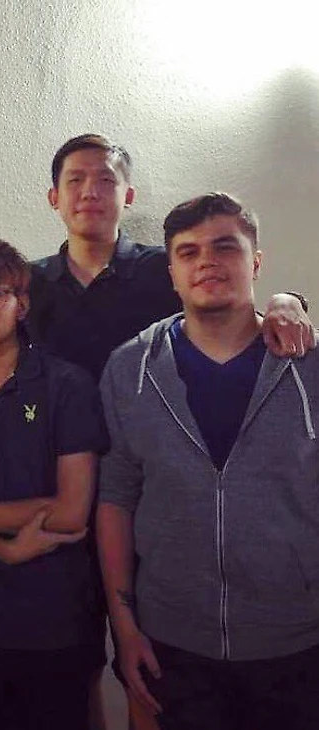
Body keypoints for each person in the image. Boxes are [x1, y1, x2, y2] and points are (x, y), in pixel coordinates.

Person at [0, 133, 315, 729]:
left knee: (117, 669)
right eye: (75, 180)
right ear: (53, 197)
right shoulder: (31, 284)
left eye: (106, 180)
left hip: (153, 508)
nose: (90, 192)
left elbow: (231, 293)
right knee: (81, 670)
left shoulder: (157, 271)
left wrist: (290, 301)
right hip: (73, 496)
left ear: (127, 195)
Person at [97, 192, 319, 730]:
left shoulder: (309, 367)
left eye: (226, 247)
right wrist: (124, 630)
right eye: (189, 251)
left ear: (256, 261)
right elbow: (116, 499)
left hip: (298, 645)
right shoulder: (130, 369)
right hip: (173, 644)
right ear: (172, 271)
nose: (208, 262)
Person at [0, 238, 108, 730]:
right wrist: (0, 545)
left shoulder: (66, 385)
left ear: (22, 305)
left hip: (57, 623)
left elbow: (71, 512)